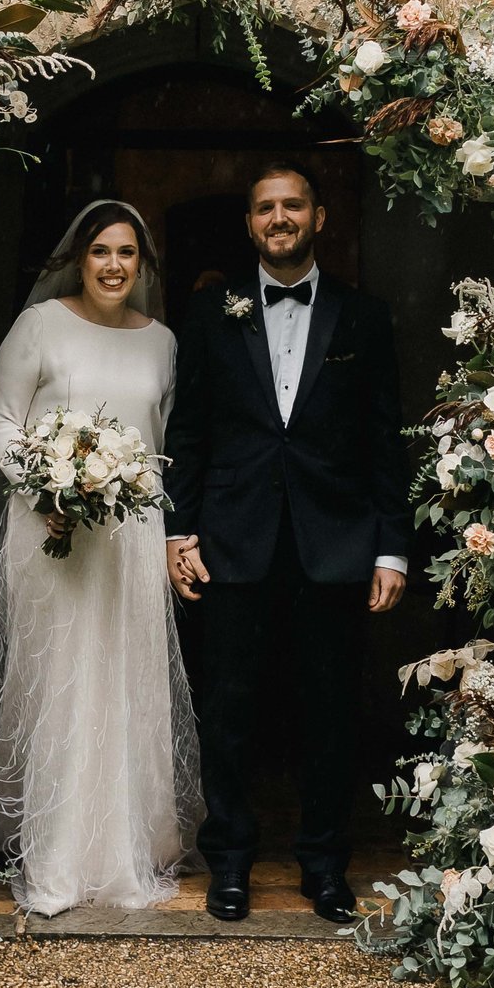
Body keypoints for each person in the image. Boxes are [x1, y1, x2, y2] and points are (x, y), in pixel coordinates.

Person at [164, 162, 410, 923]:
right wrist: (178, 531)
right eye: (266, 208)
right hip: (232, 545)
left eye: (293, 205)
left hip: (334, 546)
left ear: (318, 217)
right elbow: (189, 434)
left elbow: (384, 443)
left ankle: (325, 867)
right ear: (249, 225)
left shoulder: (363, 317)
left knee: (329, 716)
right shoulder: (209, 316)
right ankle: (229, 863)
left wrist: (391, 547)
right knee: (229, 712)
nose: (280, 218)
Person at [0, 201, 202, 915]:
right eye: (101, 251)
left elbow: (167, 443)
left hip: (132, 536)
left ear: (143, 264)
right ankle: (56, 851)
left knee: (128, 681)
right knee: (61, 680)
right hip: (52, 532)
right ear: (79, 258)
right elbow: (1, 419)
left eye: (127, 253)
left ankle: (128, 844)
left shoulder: (162, 342)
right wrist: (41, 485)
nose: (112, 265)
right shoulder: (41, 325)